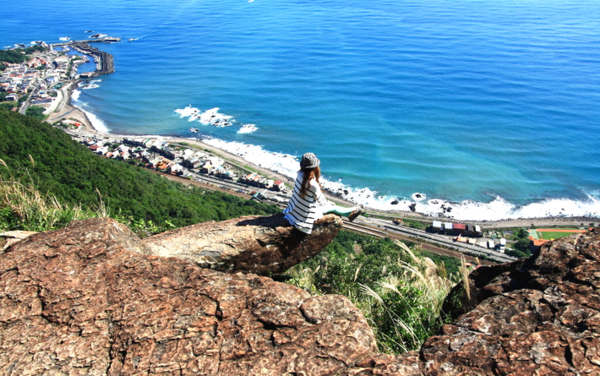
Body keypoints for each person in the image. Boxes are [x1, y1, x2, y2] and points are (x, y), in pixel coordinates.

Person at [283, 152, 362, 234]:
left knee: (329, 205)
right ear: (315, 167)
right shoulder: (313, 184)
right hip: (304, 216)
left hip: (293, 210)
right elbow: (322, 202)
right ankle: (353, 210)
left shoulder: (299, 174)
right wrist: (330, 203)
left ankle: (349, 214)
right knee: (332, 206)